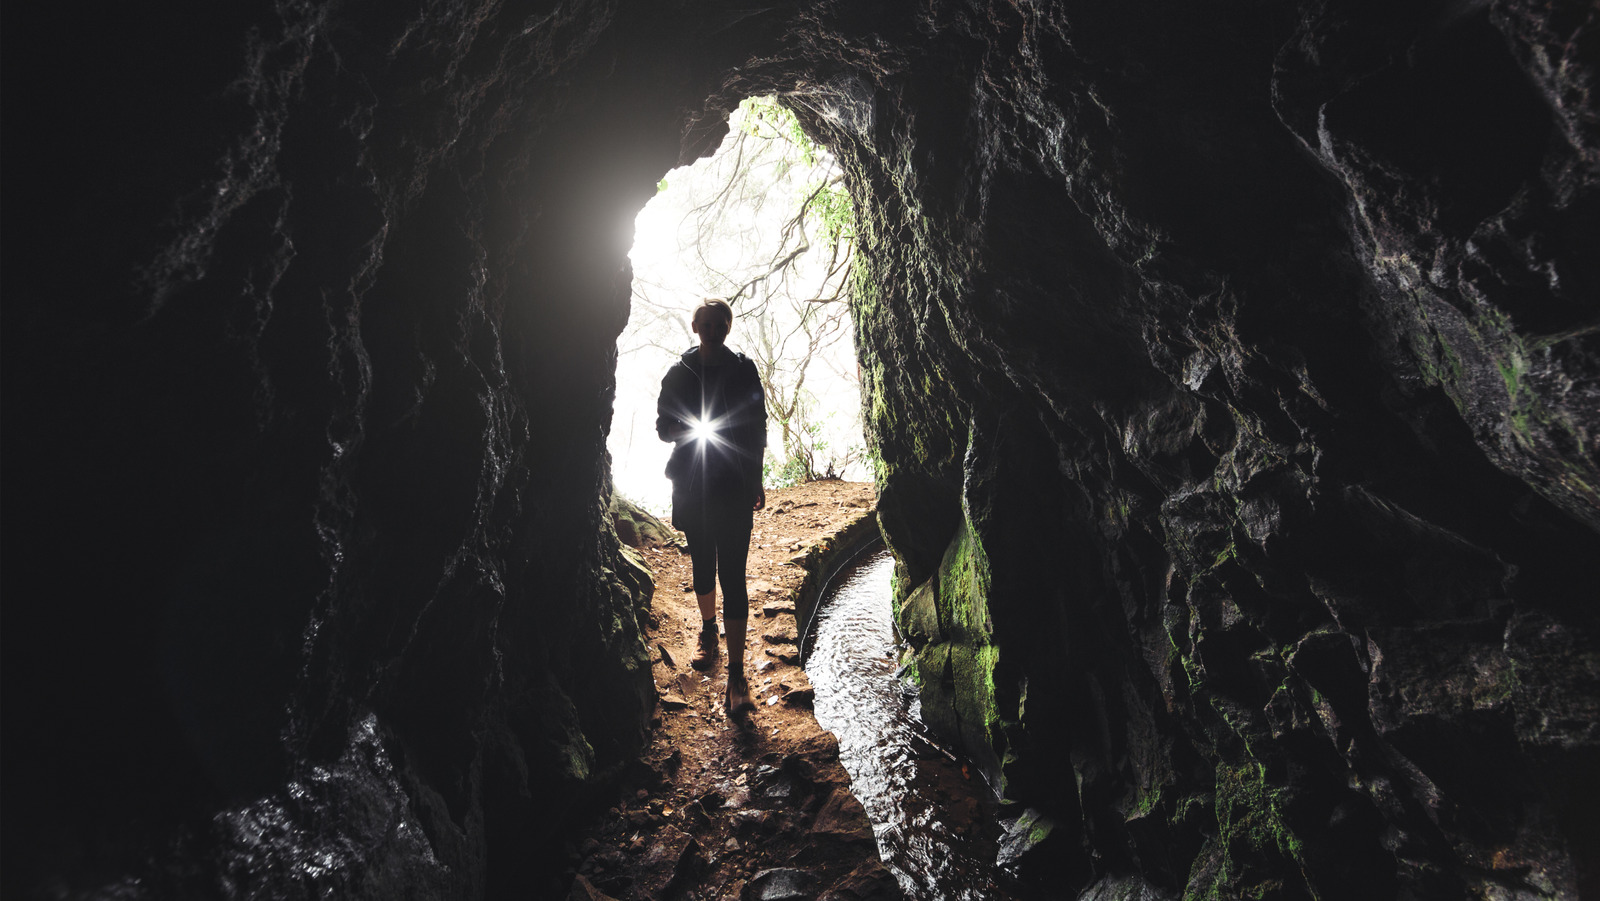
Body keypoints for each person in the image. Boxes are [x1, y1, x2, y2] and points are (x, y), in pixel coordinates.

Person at [657, 299, 767, 723]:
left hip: (734, 487)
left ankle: (736, 676)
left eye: (720, 324)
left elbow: (757, 427)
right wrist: (683, 429)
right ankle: (708, 631)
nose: (713, 330)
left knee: (733, 575)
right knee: (702, 565)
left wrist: (755, 478)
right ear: (694, 326)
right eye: (706, 323)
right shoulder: (678, 374)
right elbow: (663, 427)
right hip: (692, 486)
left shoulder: (744, 370)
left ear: (728, 328)